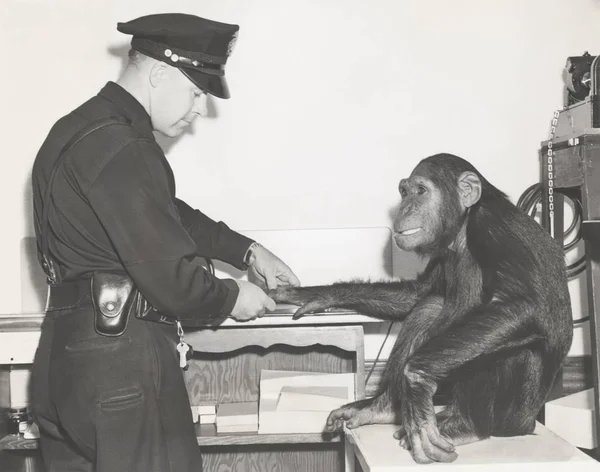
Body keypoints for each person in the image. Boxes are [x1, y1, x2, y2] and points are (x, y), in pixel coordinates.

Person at [30, 12, 300, 472]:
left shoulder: (76, 131)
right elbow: (173, 279)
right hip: (122, 372)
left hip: (64, 362)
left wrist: (247, 251)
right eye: (196, 92)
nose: (199, 109)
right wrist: (234, 296)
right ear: (158, 73)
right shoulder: (125, 147)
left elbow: (165, 214)